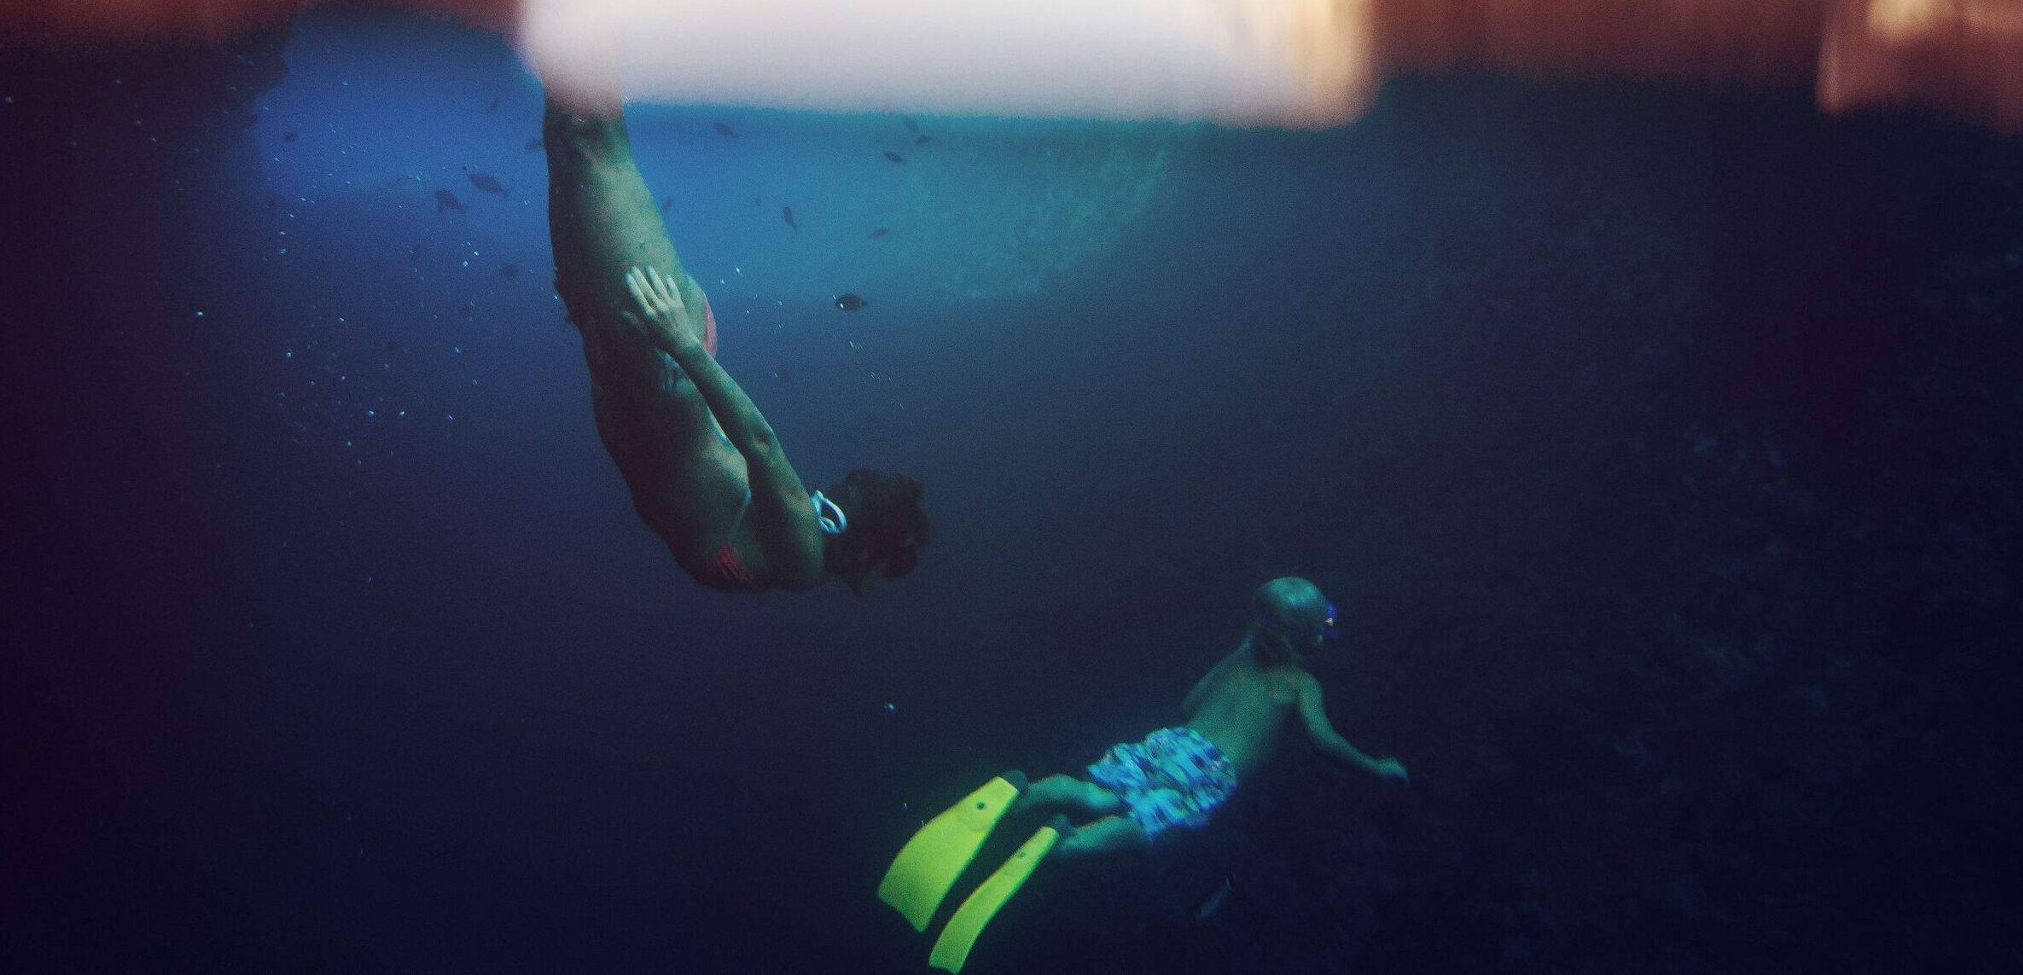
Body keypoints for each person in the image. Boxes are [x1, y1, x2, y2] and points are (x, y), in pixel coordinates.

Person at [877, 577, 1405, 972]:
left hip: (1169, 743)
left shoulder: (1238, 656)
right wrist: (1374, 766)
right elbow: (1325, 741)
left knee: (1093, 790)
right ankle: (1063, 844)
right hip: (1209, 773)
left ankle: (1031, 792)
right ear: (1307, 638)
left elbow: (1188, 702)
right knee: (1151, 821)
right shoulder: (1300, 684)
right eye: (1325, 625)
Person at [544, 99, 930, 593]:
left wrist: (629, 357)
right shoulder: (802, 553)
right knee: (587, 141)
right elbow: (760, 445)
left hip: (643, 357)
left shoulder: (800, 556)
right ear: (869, 544)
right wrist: (683, 346)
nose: (869, 583)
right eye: (882, 570)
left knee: (573, 143)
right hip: (663, 350)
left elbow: (717, 457)